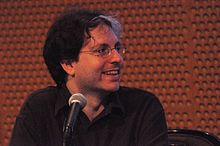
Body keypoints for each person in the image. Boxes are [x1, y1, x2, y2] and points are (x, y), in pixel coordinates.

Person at [9, 8, 168, 146]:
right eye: (102, 50)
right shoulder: (39, 109)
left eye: (117, 48)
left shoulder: (143, 107)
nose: (117, 58)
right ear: (69, 64)